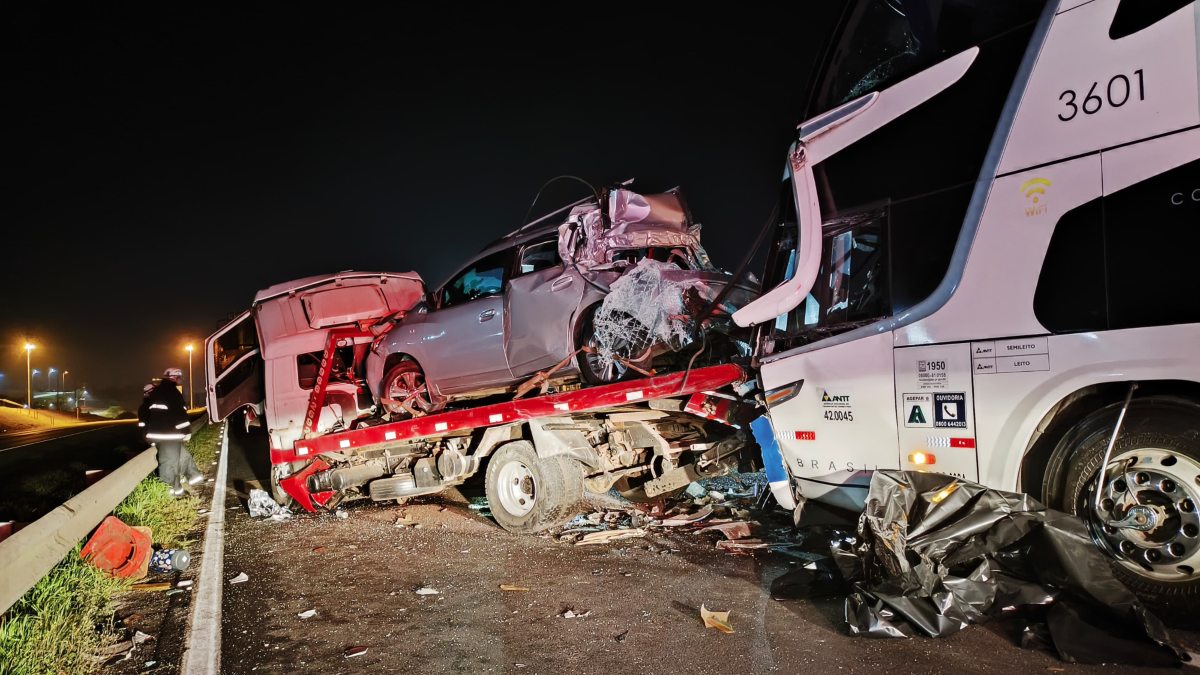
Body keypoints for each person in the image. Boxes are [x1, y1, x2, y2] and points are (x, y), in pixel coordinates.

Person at [144, 368, 203, 496]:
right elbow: (179, 413)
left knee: (183, 456)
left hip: (164, 434)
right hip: (167, 434)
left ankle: (193, 478)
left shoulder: (159, 391)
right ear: (174, 377)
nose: (181, 379)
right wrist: (186, 430)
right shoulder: (171, 392)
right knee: (169, 464)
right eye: (180, 377)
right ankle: (171, 493)